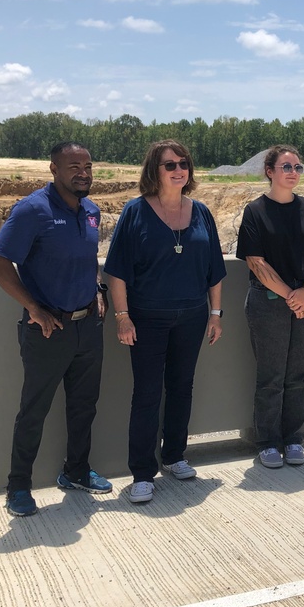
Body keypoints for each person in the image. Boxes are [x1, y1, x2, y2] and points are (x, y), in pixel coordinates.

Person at [0, 141, 112, 517]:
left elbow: (87, 258)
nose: (83, 172)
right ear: (53, 169)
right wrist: (33, 308)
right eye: (73, 166)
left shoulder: (91, 211)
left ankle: (75, 471)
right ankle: (18, 487)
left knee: (83, 406)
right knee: (34, 410)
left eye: (88, 166)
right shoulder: (32, 210)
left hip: (88, 325)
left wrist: (97, 289)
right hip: (48, 330)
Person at [104, 140, 227, 504]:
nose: (178, 170)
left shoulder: (202, 212)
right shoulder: (135, 212)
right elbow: (117, 273)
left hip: (192, 316)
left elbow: (214, 272)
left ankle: (174, 456)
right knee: (146, 394)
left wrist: (216, 314)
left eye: (183, 163)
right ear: (153, 171)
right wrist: (122, 316)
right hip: (146, 318)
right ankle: (143, 473)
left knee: (182, 388)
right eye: (169, 164)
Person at [236, 145, 304, 468]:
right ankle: (268, 442)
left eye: (298, 167)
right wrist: (293, 296)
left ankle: (294, 439)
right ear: (270, 171)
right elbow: (255, 261)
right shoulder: (255, 211)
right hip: (268, 303)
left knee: (300, 376)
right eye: (286, 167)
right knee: (271, 377)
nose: (293, 172)